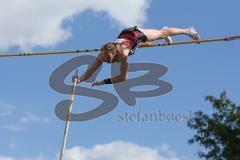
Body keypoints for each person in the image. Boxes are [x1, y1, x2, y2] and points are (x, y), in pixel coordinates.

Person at [73, 26, 200, 86]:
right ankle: (162, 37)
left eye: (108, 60)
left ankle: (187, 31)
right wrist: (80, 79)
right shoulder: (103, 54)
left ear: (114, 55)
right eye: (105, 59)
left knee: (162, 33)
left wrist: (102, 82)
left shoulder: (123, 55)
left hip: (135, 34)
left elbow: (123, 78)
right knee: (144, 45)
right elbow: (90, 71)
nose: (105, 61)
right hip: (127, 39)